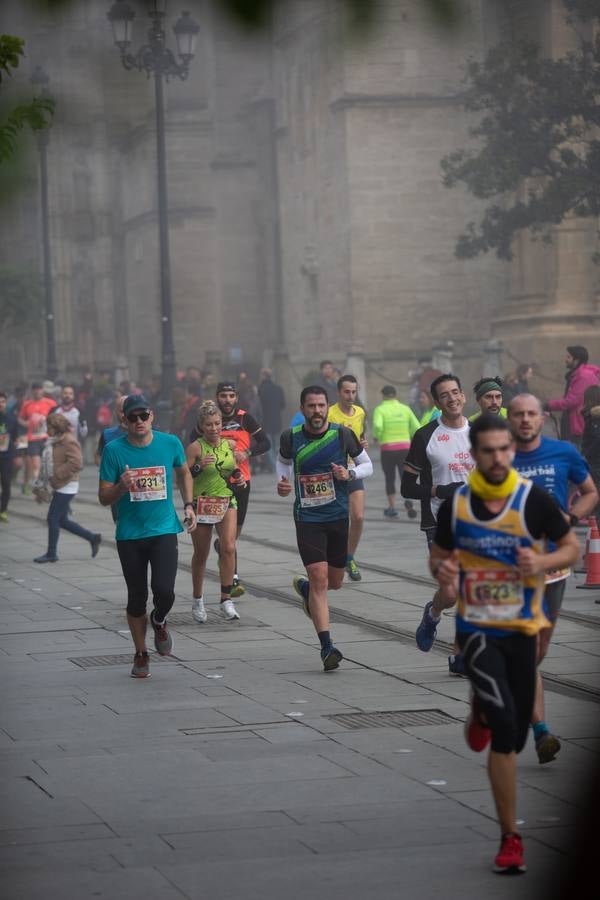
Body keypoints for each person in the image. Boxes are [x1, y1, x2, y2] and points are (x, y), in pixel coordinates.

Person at [430, 413, 579, 874]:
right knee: (503, 725)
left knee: (511, 733)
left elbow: (570, 546)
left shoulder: (531, 499)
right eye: (488, 451)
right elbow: (439, 553)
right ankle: (510, 837)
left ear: (512, 451)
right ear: (473, 455)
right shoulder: (456, 505)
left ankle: (481, 708)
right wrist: (444, 570)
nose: (498, 458)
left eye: (504, 450)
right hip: (476, 631)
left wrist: (543, 558)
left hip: (521, 630)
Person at [508, 393, 597, 762]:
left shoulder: (563, 453)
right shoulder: (497, 457)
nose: (526, 420)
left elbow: (590, 492)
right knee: (527, 647)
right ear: (509, 419)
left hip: (555, 563)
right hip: (512, 566)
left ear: (542, 418)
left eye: (532, 414)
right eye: (519, 415)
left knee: (539, 648)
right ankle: (541, 729)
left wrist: (572, 518)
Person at [98, 394, 196, 679]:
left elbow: (183, 473)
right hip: (129, 534)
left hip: (164, 529)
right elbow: (104, 497)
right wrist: (121, 487)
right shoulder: (113, 451)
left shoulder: (170, 443)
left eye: (143, 416)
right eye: (133, 417)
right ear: (124, 421)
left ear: (152, 416)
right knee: (137, 596)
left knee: (165, 591)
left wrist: (188, 506)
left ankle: (160, 619)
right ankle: (141, 654)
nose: (139, 421)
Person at [276, 385, 373, 670]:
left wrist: (350, 472)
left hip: (337, 516)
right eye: (311, 406)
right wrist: (282, 483)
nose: (316, 411)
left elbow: (368, 465)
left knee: (335, 582)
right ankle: (327, 646)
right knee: (319, 577)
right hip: (307, 518)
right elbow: (282, 462)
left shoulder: (342, 434)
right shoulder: (290, 437)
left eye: (320, 406)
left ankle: (307, 592)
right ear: (303, 408)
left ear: (326, 407)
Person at [401, 373, 475, 675]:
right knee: (451, 593)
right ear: (437, 402)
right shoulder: (425, 435)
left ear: (464, 396)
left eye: (456, 392)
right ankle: (432, 614)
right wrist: (438, 491)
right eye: (445, 395)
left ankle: (460, 657)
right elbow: (407, 487)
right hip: (440, 522)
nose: (452, 398)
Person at [191, 382, 270, 598]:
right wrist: (201, 461)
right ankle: (232, 580)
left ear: (236, 397)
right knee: (227, 543)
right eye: (223, 396)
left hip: (240, 481)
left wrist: (247, 453)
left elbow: (266, 443)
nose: (227, 400)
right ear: (217, 397)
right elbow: (192, 445)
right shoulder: (209, 419)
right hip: (213, 485)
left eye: (231, 395)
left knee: (233, 538)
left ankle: (224, 552)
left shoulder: (245, 418)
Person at [186, 400, 246, 623]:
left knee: (229, 547)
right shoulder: (195, 448)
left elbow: (233, 470)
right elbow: (184, 477)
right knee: (201, 554)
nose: (214, 428)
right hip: (202, 503)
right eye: (209, 424)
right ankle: (197, 599)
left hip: (226, 500)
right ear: (201, 426)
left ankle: (225, 599)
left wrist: (239, 478)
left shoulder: (229, 445)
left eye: (217, 423)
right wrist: (200, 466)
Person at [33, 413, 101, 564]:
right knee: (62, 520)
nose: (46, 428)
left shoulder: (69, 441)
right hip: (60, 484)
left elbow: (77, 463)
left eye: (48, 426)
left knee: (52, 518)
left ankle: (52, 553)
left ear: (55, 427)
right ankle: (93, 538)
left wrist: (57, 474)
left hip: (67, 485)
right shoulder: (54, 441)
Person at [328, 374, 369, 580]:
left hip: (354, 470)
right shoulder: (329, 413)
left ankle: (349, 557)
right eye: (347, 391)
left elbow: (360, 437)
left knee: (359, 516)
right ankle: (332, 557)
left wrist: (363, 444)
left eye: (354, 391)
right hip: (333, 473)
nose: (351, 395)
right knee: (336, 520)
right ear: (339, 392)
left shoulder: (360, 413)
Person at [372, 385, 420, 519]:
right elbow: (416, 427)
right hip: (405, 448)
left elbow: (377, 425)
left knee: (390, 478)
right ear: (395, 395)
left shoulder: (380, 409)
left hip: (388, 449)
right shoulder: (405, 409)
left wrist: (378, 436)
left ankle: (392, 508)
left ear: (383, 395)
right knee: (404, 477)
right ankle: (408, 501)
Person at [545, 345, 600, 447]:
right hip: (575, 424)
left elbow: (572, 401)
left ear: (577, 359)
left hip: (578, 426)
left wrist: (549, 404)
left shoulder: (584, 376)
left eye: (568, 357)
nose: (565, 360)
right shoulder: (578, 375)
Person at [18, 382, 57, 494]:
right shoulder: (27, 404)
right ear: (32, 391)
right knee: (35, 464)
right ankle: (37, 486)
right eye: (35, 389)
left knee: (47, 464)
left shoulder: (50, 403)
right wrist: (26, 423)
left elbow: (58, 416)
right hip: (33, 439)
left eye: (39, 389)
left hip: (47, 438)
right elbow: (20, 418)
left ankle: (42, 483)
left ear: (42, 390)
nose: (37, 391)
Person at [258, 368, 286, 473]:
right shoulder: (278, 388)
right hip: (277, 420)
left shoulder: (261, 389)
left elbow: (259, 407)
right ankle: (280, 464)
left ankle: (274, 465)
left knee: (269, 445)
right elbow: (283, 405)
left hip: (266, 421)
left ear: (264, 376)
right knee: (278, 444)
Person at [581, 384, 600, 519]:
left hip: (596, 462)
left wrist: (585, 454)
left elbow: (596, 439)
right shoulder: (591, 417)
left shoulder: (595, 418)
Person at [0, 391, 18, 523]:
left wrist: (17, 454)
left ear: (6, 403)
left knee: (6, 483)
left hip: (7, 456)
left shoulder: (12, 418)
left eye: (2, 402)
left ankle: (3, 510)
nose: (0, 404)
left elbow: (17, 437)